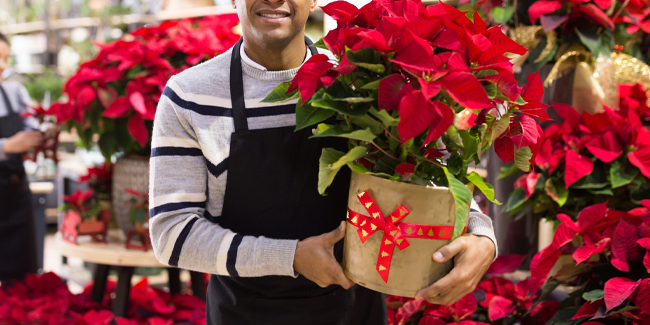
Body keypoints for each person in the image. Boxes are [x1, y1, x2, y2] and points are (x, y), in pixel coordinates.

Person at [149, 0, 497, 322]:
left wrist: (482, 237)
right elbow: (172, 233)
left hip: (354, 312)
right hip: (245, 313)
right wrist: (292, 257)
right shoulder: (189, 97)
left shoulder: (362, 81)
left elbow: (438, 177)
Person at [0, 32, 42, 282]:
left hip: (15, 195)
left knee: (20, 279)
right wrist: (8, 146)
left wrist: (41, 135)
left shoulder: (14, 92)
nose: (2, 65)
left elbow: (33, 124)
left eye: (5, 58)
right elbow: (14, 143)